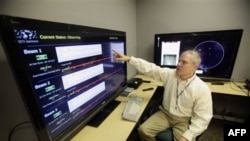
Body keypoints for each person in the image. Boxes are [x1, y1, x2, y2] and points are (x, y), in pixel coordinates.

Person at [113, 50, 213, 141]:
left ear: (195, 66)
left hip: (184, 119)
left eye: (184, 62)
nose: (178, 64)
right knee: (143, 131)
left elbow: (203, 118)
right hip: (165, 114)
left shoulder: (202, 89)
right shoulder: (170, 74)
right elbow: (151, 69)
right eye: (179, 61)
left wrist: (187, 136)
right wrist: (130, 59)